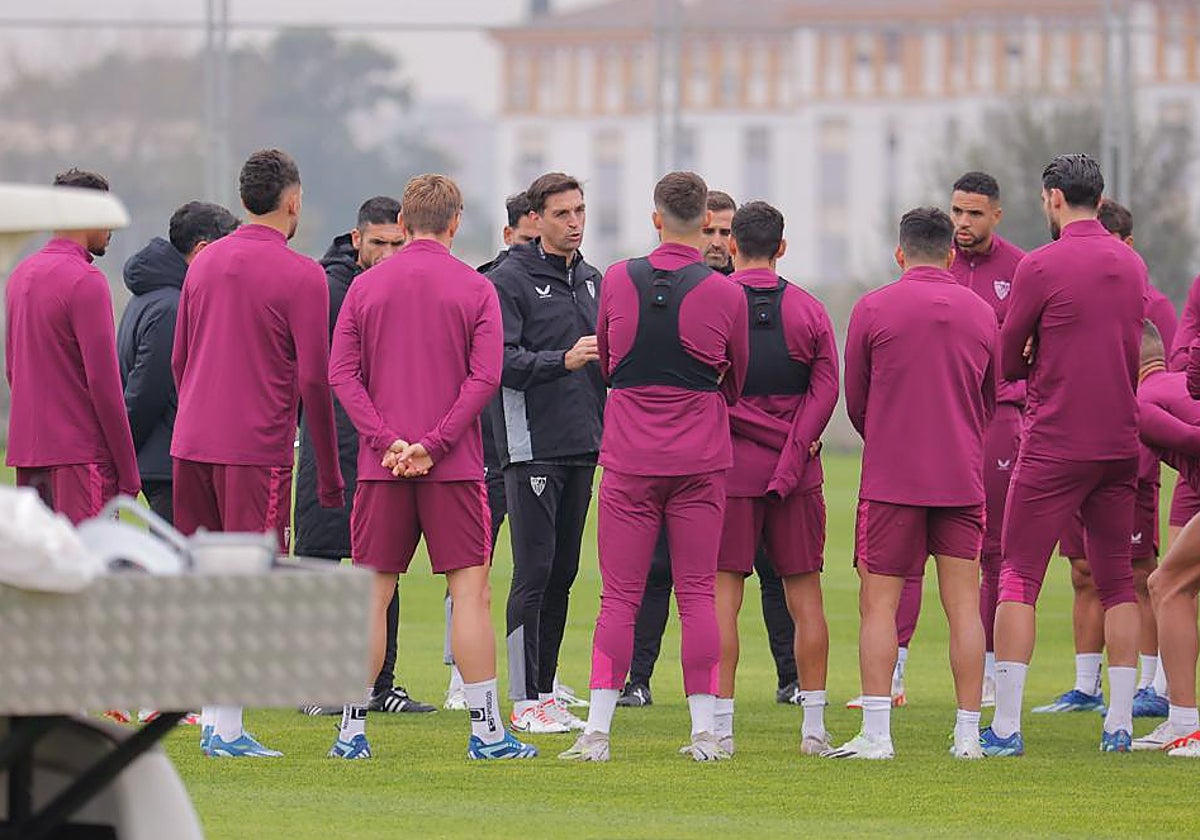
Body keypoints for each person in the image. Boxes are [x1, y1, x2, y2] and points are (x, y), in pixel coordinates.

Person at [329, 173, 537, 761]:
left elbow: (341, 373)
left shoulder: (366, 287)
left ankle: (350, 731)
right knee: (470, 595)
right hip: (454, 466)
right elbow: (487, 377)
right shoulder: (475, 288)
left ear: (402, 224)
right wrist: (435, 443)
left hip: (381, 467)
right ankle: (488, 732)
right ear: (454, 222)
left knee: (371, 597)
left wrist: (386, 440)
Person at [559, 171, 748, 762]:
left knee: (619, 597)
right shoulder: (726, 292)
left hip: (630, 457)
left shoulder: (617, 278)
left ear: (656, 216)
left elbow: (608, 362)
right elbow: (736, 380)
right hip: (700, 458)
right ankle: (703, 732)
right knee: (697, 593)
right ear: (707, 224)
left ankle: (597, 732)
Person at [172, 149, 344, 758]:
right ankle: (224, 727)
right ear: (292, 201)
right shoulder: (303, 276)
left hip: (192, 440)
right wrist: (327, 468)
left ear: (245, 198)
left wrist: (195, 411)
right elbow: (316, 381)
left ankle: (216, 720)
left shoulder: (202, 264)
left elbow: (179, 357)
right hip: (254, 446)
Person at [983, 154, 1146, 756]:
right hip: (1119, 442)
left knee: (1018, 576)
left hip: (1055, 439)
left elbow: (1005, 353)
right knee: (1118, 583)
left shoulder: (1042, 264)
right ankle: (1120, 723)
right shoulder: (1132, 263)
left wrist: (1030, 359)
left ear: (1053, 198)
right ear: (1099, 202)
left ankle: (1004, 727)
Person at [620, 190, 800, 709]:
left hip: (745, 460)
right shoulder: (678, 292)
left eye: (726, 233)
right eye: (712, 231)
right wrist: (777, 433)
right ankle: (638, 676)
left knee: (770, 566)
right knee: (659, 567)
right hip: (693, 454)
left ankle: (788, 677)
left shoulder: (760, 298)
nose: (718, 242)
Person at [826, 207, 994, 761]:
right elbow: (988, 400)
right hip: (961, 478)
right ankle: (968, 735)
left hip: (893, 478)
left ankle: (877, 735)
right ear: (951, 254)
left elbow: (858, 401)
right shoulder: (981, 312)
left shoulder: (873, 307)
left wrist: (892, 435)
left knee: (879, 607)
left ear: (900, 254)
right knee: (965, 607)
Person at [293, 196, 435, 717]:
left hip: (386, 446)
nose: (389, 253)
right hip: (330, 444)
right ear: (357, 240)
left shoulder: (406, 289)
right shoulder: (324, 290)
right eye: (378, 243)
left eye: (397, 243)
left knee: (382, 566)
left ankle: (381, 685)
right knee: (323, 564)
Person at [1037, 199, 1175, 718]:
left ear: (1129, 248)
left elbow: (1163, 385)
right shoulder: (1074, 297)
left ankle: (1152, 684)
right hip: (1073, 450)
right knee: (1082, 571)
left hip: (1126, 458)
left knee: (1138, 573)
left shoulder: (1151, 303)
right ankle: (1085, 684)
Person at [715, 201, 838, 756]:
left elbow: (710, 389)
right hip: (799, 474)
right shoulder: (811, 310)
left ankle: (719, 727)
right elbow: (827, 389)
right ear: (782, 248)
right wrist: (793, 451)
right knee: (805, 597)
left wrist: (762, 436)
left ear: (733, 246)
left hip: (730, 469)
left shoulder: (709, 306)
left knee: (723, 599)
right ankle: (813, 727)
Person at [484, 173, 605, 736]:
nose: (575, 222)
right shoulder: (509, 279)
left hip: (583, 446)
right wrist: (564, 361)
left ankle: (545, 690)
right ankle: (521, 697)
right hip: (531, 448)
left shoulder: (592, 280)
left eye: (580, 210)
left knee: (563, 573)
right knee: (531, 572)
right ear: (535, 219)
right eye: (563, 213)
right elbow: (499, 363)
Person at [445, 192, 542, 711]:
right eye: (526, 238)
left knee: (535, 563)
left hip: (531, 445)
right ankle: (462, 680)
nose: (534, 248)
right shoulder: (487, 285)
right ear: (508, 236)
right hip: (486, 441)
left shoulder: (562, 285)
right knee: (471, 562)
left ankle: (534, 677)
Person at [6, 168, 139, 523]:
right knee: (88, 568)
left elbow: (13, 370)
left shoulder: (19, 277)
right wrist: (128, 469)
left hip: (30, 452)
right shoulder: (87, 281)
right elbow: (104, 385)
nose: (111, 229)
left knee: (43, 569)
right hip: (81, 456)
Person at [118, 201, 239, 525]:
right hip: (168, 463)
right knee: (173, 567)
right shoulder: (172, 307)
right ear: (202, 250)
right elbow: (147, 391)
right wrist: (122, 450)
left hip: (158, 458)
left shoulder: (149, 297)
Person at [1129, 322, 1200, 754]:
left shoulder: (1141, 401)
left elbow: (1131, 472)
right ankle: (1181, 720)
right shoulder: (1173, 384)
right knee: (1168, 584)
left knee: (1166, 586)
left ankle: (1186, 723)